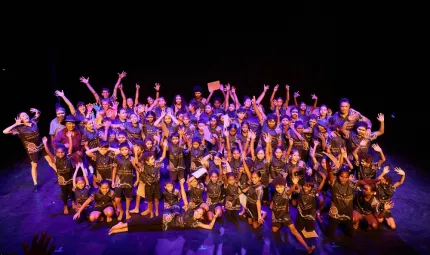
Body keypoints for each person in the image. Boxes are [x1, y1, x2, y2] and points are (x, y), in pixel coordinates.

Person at [108, 178, 219, 235]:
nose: (197, 213)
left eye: (199, 214)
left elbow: (209, 227)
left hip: (164, 227)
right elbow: (184, 198)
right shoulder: (189, 210)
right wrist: (181, 185)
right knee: (143, 222)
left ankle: (121, 230)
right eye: (197, 211)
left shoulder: (196, 223)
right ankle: (122, 224)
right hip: (164, 218)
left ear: (200, 217)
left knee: (143, 229)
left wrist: (215, 216)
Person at [3, 109, 55, 192]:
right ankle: (35, 184)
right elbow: (4, 131)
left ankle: (60, 176)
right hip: (32, 150)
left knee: (51, 161)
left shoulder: (33, 121)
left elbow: (38, 113)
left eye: (26, 114)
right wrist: (15, 124)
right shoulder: (18, 128)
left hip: (41, 146)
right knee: (35, 166)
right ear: (20, 118)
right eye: (23, 116)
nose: (26, 116)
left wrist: (36, 110)